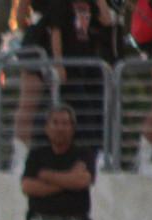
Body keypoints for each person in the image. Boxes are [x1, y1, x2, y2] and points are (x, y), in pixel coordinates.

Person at [46, 0, 112, 153]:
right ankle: (88, 150)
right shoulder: (61, 4)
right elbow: (56, 31)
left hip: (88, 64)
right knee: (83, 108)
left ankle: (100, 150)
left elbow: (106, 21)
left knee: (99, 107)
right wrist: (58, 63)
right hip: (70, 65)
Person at [10, 0, 53, 173]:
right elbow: (21, 14)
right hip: (39, 40)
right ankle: (20, 157)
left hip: (61, 37)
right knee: (29, 103)